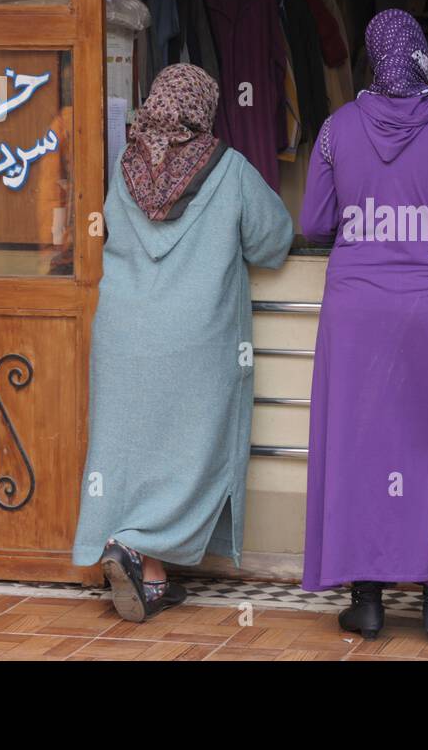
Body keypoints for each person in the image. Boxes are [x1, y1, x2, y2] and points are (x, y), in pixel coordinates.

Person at [299, 9, 428, 644]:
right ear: (422, 55)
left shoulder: (338, 129)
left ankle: (365, 602)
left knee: (359, 451)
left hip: (358, 312)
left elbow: (313, 223)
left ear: (370, 59)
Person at [72, 63, 294, 622]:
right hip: (197, 337)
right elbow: (273, 242)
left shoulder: (124, 168)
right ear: (203, 110)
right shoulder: (230, 168)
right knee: (191, 452)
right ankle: (137, 550)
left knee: (126, 451)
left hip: (122, 332)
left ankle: (146, 570)